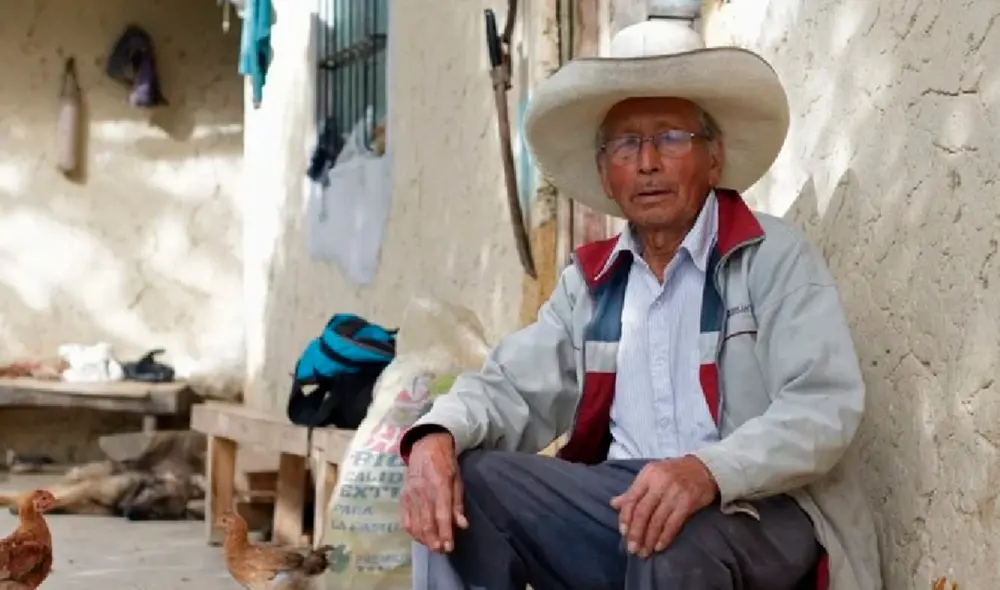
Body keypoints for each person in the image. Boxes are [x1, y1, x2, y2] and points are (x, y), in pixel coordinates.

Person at [399, 19, 881, 590]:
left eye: (672, 138)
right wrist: (436, 437)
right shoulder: (593, 281)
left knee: (668, 536)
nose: (648, 162)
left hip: (758, 508)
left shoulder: (771, 257)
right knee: (466, 484)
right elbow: (511, 388)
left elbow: (823, 407)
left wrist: (707, 471)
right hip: (625, 503)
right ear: (606, 172)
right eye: (627, 144)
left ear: (715, 158)